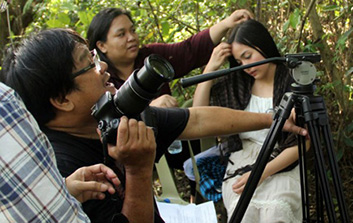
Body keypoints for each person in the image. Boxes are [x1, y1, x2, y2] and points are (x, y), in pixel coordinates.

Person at [0, 28, 307, 223]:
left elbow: (197, 119)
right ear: (62, 99)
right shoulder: (63, 169)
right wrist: (137, 171)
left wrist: (274, 119)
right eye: (89, 63)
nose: (102, 65)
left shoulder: (116, 116)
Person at [188, 19, 307, 222]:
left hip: (280, 161)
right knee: (245, 213)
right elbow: (199, 114)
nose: (246, 66)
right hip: (241, 160)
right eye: (240, 62)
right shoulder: (236, 85)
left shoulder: (291, 81)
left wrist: (260, 173)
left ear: (262, 44)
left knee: (276, 213)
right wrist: (210, 68)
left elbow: (304, 142)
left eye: (248, 56)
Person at [0, 82, 121, 222]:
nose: (103, 68)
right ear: (62, 100)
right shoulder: (4, 103)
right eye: (89, 66)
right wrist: (138, 170)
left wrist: (63, 191)